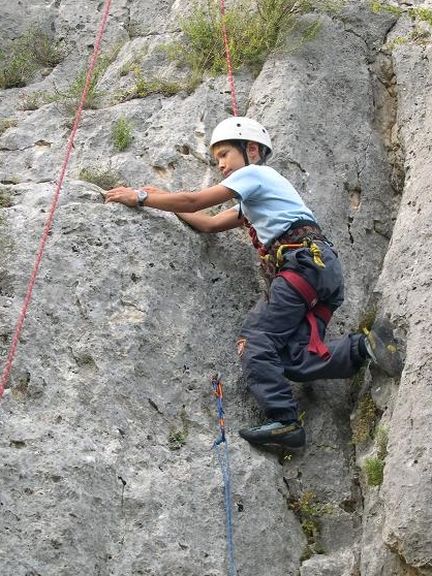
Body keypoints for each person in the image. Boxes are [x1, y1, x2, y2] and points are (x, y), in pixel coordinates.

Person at [104, 116, 403, 448]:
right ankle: (367, 346)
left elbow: (195, 201)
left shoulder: (255, 174)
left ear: (251, 150)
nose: (220, 165)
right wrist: (162, 200)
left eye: (224, 155)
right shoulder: (258, 198)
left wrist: (142, 196)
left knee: (256, 339)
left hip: (301, 267)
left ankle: (285, 422)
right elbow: (206, 223)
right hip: (320, 274)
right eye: (216, 159)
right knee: (293, 358)